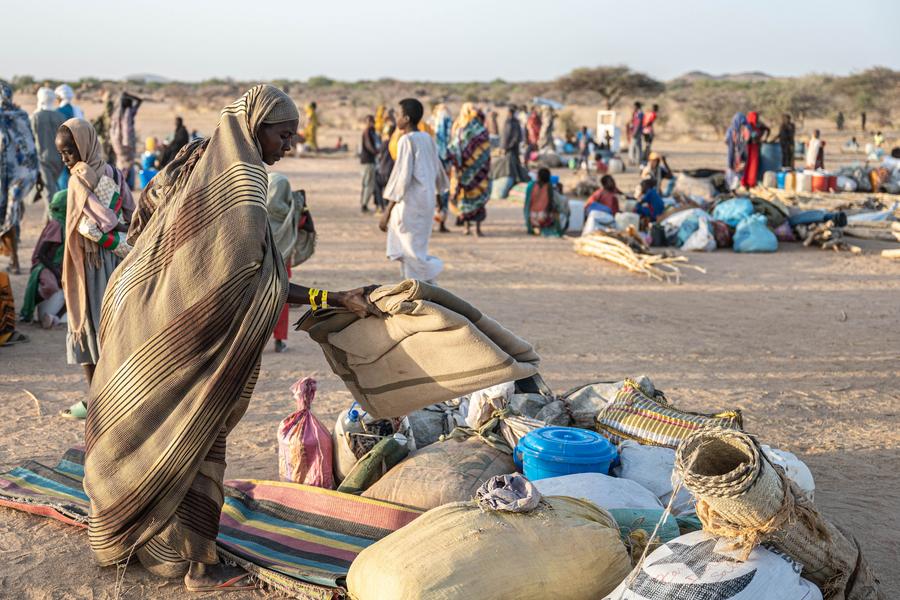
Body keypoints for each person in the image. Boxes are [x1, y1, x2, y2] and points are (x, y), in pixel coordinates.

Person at [83, 85, 379, 592]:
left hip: (140, 322)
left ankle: (149, 543)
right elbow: (256, 280)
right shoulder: (241, 193)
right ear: (253, 129)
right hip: (185, 344)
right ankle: (201, 565)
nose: (288, 145)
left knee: (143, 434)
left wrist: (333, 299)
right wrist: (335, 298)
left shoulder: (194, 167)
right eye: (283, 135)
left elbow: (147, 224)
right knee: (199, 438)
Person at [54, 118, 134, 419]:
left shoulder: (77, 180)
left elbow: (87, 223)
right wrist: (121, 233)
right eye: (62, 154)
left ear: (84, 147)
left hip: (88, 265)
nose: (65, 159)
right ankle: (115, 396)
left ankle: (96, 400)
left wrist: (105, 229)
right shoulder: (114, 173)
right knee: (112, 327)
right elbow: (130, 213)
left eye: (69, 153)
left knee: (88, 323)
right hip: (116, 258)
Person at [379, 98, 448, 282]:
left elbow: (402, 177)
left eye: (399, 115)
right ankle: (417, 290)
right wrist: (440, 199)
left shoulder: (406, 140)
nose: (396, 119)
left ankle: (423, 290)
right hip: (426, 204)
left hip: (411, 205)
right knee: (413, 250)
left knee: (411, 253)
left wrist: (387, 211)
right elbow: (438, 171)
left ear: (407, 118)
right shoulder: (427, 138)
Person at [266, 173, 315, 353]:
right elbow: (306, 225)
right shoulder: (291, 212)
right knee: (281, 302)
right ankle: (279, 341)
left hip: (260, 259)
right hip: (281, 260)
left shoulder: (256, 208)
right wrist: (301, 204)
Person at [1, 81, 41, 275]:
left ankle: (14, 260)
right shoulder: (21, 116)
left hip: (6, 178)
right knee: (13, 215)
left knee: (9, 216)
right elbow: (31, 147)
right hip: (21, 178)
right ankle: (14, 260)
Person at [20, 190, 67, 328]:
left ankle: (55, 318)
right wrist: (56, 272)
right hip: (45, 265)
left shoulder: (66, 224)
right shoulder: (57, 225)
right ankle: (31, 305)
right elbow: (41, 254)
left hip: (57, 266)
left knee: (74, 289)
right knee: (51, 285)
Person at [446, 102, 491, 236]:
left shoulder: (464, 129)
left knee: (471, 198)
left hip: (470, 170)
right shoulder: (476, 129)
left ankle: (471, 227)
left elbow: (455, 149)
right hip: (475, 171)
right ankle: (473, 227)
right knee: (472, 197)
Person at [31, 87, 66, 205]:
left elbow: (31, 138)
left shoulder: (36, 117)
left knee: (49, 192)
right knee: (51, 189)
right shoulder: (61, 117)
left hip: (42, 160)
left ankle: (55, 220)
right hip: (59, 159)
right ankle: (50, 220)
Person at [110, 92, 143, 189]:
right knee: (128, 164)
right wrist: (130, 95)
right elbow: (126, 129)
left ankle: (120, 184)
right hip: (126, 143)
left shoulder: (117, 113)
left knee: (121, 163)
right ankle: (127, 185)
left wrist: (123, 96)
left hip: (116, 142)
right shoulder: (128, 112)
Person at [524, 168, 566, 237]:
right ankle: (547, 227)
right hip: (544, 219)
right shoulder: (548, 186)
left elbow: (527, 204)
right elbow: (552, 202)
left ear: (538, 176)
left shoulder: (531, 185)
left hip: (531, 218)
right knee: (556, 212)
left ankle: (535, 227)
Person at [431, 104, 453, 232]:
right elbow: (448, 142)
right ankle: (441, 223)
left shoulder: (430, 122)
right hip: (443, 163)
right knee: (443, 191)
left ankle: (435, 222)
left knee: (434, 192)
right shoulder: (447, 121)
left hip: (431, 162)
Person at [741, 111, 770, 189]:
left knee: (753, 165)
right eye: (755, 117)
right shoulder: (747, 126)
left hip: (754, 147)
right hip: (748, 147)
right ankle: (745, 182)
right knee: (747, 165)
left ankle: (751, 182)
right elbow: (745, 137)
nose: (756, 119)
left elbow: (767, 129)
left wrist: (763, 138)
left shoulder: (758, 125)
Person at [373, 120, 395, 216]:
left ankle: (381, 207)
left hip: (384, 170)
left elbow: (380, 156)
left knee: (378, 187)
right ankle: (386, 207)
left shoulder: (385, 143)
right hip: (391, 171)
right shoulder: (396, 143)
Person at [359, 115, 379, 213]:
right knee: (368, 183)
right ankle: (364, 205)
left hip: (371, 160)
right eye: (368, 121)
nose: (370, 123)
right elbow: (369, 146)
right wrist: (377, 152)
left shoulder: (373, 132)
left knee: (368, 183)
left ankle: (364, 204)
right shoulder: (367, 132)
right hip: (368, 161)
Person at [725, 112, 749, 189]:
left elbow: (726, 140)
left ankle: (733, 187)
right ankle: (732, 187)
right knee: (734, 172)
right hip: (737, 154)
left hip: (738, 155)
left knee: (736, 172)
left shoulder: (740, 131)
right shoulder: (734, 131)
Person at [628, 102, 644, 166]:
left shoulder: (640, 113)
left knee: (632, 146)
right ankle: (638, 161)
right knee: (638, 147)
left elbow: (639, 123)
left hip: (636, 132)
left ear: (637, 106)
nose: (633, 108)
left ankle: (632, 160)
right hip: (636, 132)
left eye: (634, 107)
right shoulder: (636, 113)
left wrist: (635, 132)